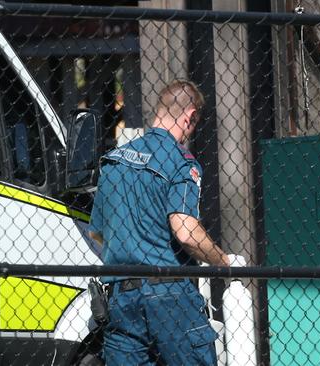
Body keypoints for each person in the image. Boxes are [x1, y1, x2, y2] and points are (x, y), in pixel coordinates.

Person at [89, 79, 234, 365]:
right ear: (189, 116)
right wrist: (223, 262)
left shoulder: (114, 161)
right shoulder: (181, 162)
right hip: (169, 294)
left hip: (121, 298)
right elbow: (186, 232)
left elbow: (98, 233)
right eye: (194, 124)